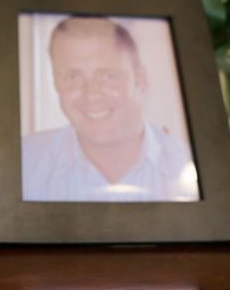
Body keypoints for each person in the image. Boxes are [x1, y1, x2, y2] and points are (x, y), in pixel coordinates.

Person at [22, 16, 199, 202]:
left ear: (141, 79)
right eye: (72, 77)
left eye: (108, 76)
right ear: (56, 84)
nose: (91, 95)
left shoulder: (189, 166)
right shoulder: (24, 163)